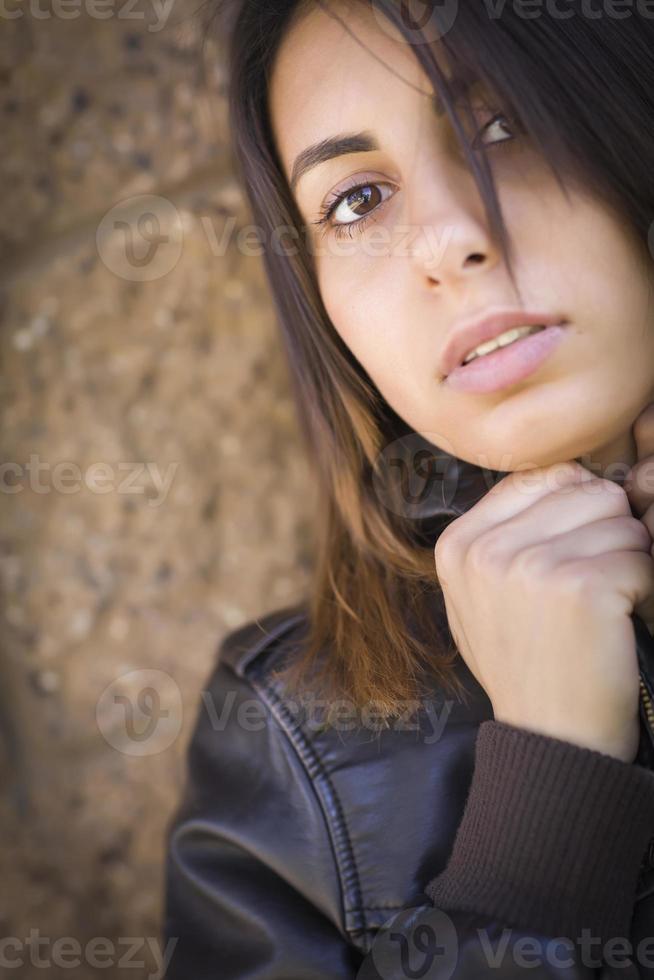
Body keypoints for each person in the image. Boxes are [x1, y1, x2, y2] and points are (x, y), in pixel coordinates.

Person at [161, 1, 654, 977]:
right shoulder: (291, 747)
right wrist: (545, 803)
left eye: (505, 125)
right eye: (357, 201)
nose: (448, 241)